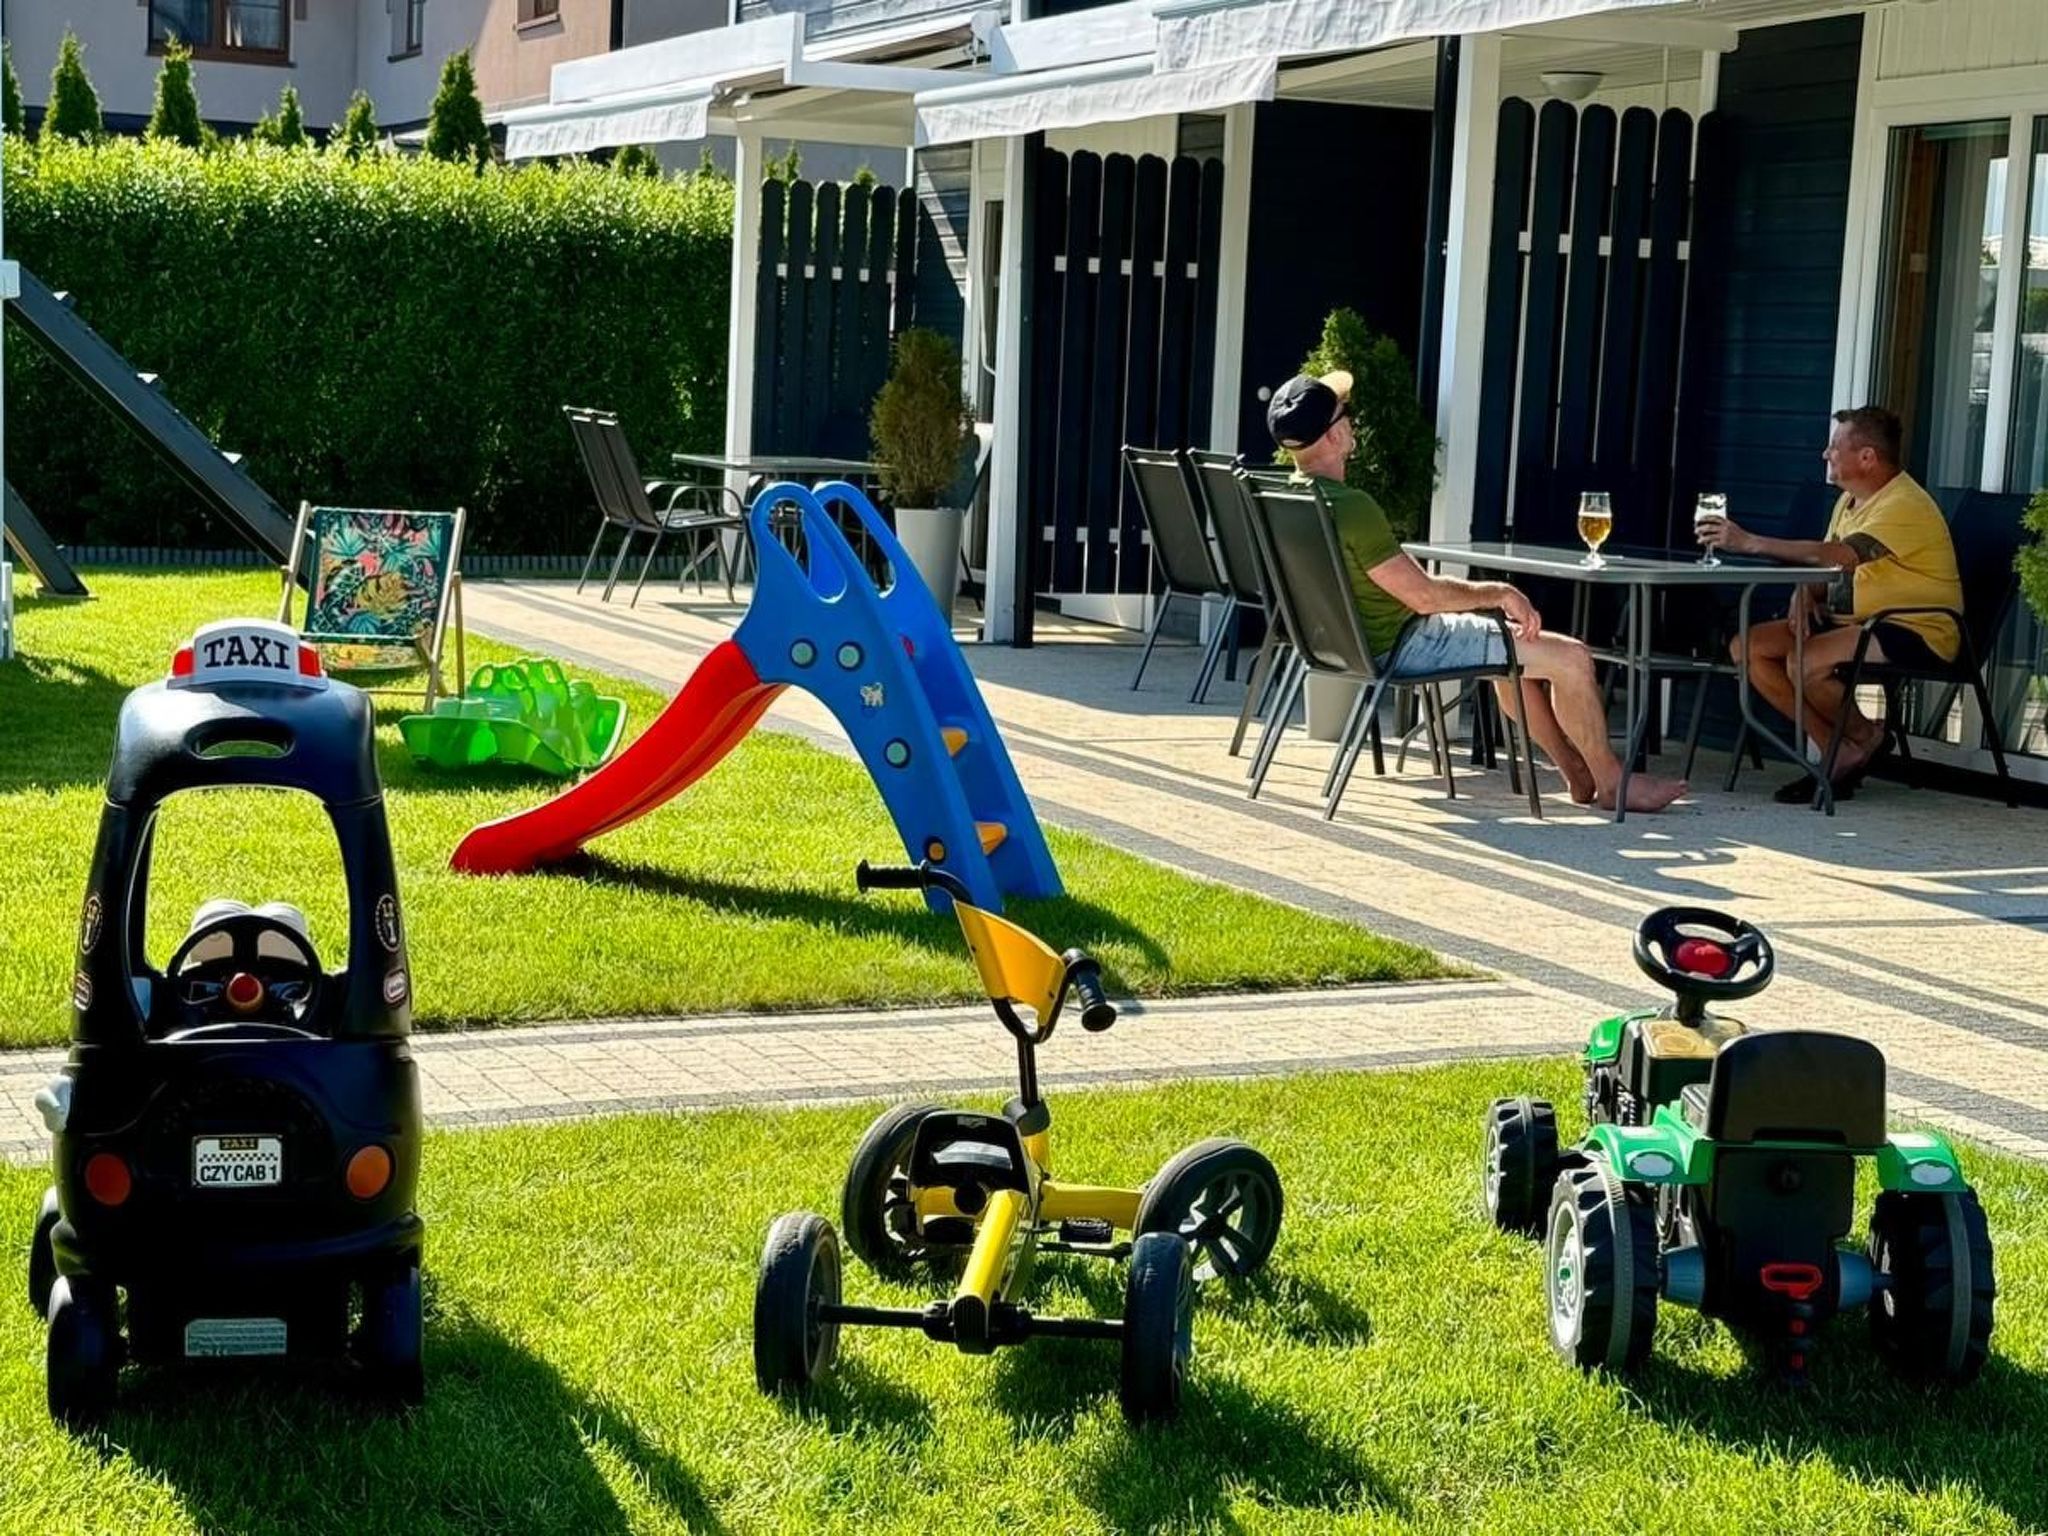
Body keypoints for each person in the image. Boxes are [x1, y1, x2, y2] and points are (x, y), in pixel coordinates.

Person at [1266, 370, 1687, 813]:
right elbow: (1424, 598)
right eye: (1347, 413)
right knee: (1573, 657)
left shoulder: (1287, 498)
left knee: (1508, 649)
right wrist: (1498, 591)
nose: (1353, 421)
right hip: (1404, 644)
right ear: (1335, 435)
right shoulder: (1352, 507)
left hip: (1343, 646)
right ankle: (1612, 783)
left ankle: (1577, 773)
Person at [1696, 406, 1961, 803]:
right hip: (1856, 623)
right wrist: (1808, 591)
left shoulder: (1904, 504)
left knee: (1804, 661)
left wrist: (1750, 542)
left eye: (1835, 446)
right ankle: (1836, 748)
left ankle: (1866, 737)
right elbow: (1829, 566)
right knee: (1748, 648)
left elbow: (1843, 555)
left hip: (1916, 628)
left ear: (1867, 457)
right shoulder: (1849, 501)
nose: (1825, 454)